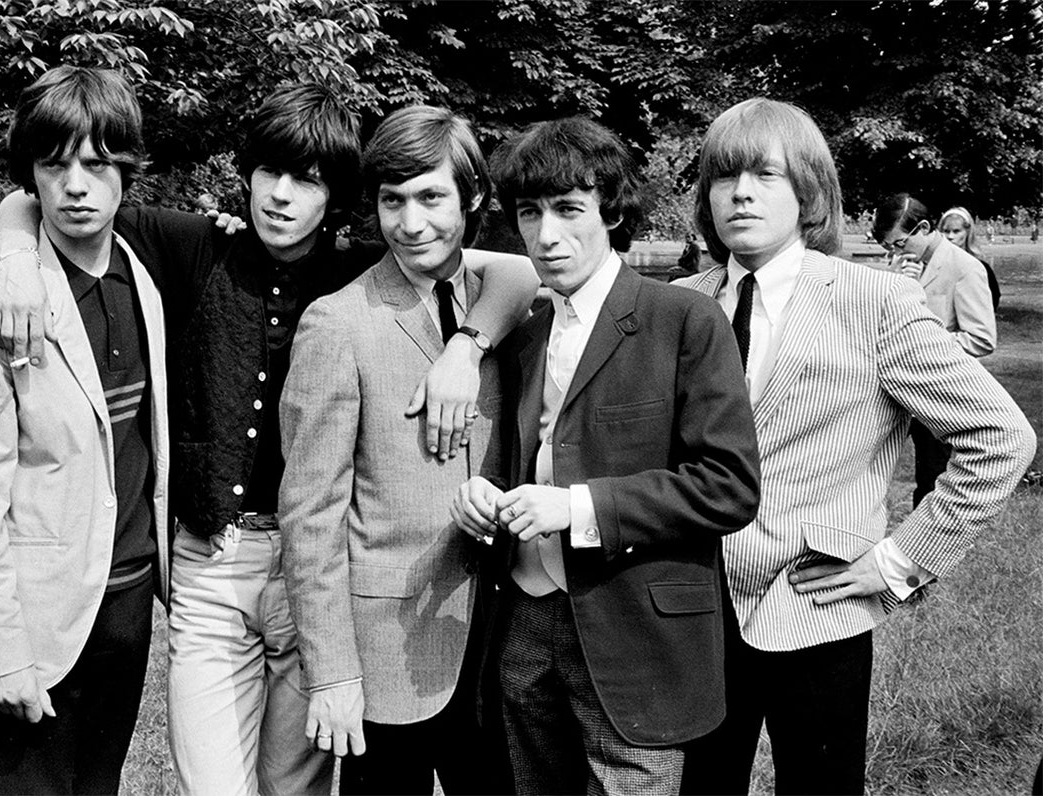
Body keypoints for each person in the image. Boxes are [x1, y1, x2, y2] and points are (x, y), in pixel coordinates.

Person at [0, 84, 537, 795]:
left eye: (306, 181)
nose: (280, 196)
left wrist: (467, 344)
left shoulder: (359, 274)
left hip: (319, 572)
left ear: (336, 197)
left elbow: (514, 271)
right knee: (214, 781)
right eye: (268, 173)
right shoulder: (193, 246)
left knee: (295, 785)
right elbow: (44, 189)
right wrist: (15, 257)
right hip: (213, 564)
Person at [673, 98, 1036, 795]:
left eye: (765, 175)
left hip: (816, 602)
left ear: (809, 192)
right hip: (690, 611)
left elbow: (1001, 438)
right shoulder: (679, 304)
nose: (741, 192)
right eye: (724, 177)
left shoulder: (877, 301)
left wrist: (901, 562)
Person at [451, 116, 762, 795]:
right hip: (525, 624)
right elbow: (523, 460)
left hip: (637, 635)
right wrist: (484, 496)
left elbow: (729, 486)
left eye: (568, 209)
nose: (547, 234)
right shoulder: (526, 331)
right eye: (530, 213)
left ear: (612, 210)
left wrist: (577, 507)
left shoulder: (682, 320)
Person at [0, 66, 170, 794]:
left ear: (127, 170)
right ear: (29, 176)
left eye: (97, 165)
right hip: (34, 620)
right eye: (54, 165)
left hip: (126, 606)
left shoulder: (143, 274)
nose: (76, 185)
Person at [280, 104, 519, 796]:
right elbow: (311, 514)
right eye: (393, 200)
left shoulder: (505, 305)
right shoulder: (338, 323)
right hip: (387, 649)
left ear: (472, 197)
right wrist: (332, 673)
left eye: (432, 197)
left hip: (499, 643)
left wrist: (468, 346)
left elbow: (523, 273)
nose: (411, 224)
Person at [873, 194, 998, 506]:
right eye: (889, 247)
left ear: (924, 228)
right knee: (866, 467)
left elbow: (981, 338)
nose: (895, 252)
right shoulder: (899, 263)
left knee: (930, 480)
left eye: (899, 243)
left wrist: (926, 343)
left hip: (937, 391)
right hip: (890, 388)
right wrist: (895, 281)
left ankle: (923, 549)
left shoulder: (966, 268)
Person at [938, 205, 1000, 309]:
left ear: (967, 232)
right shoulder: (934, 266)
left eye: (956, 231)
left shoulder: (980, 267)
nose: (950, 237)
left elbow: (993, 300)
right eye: (946, 231)